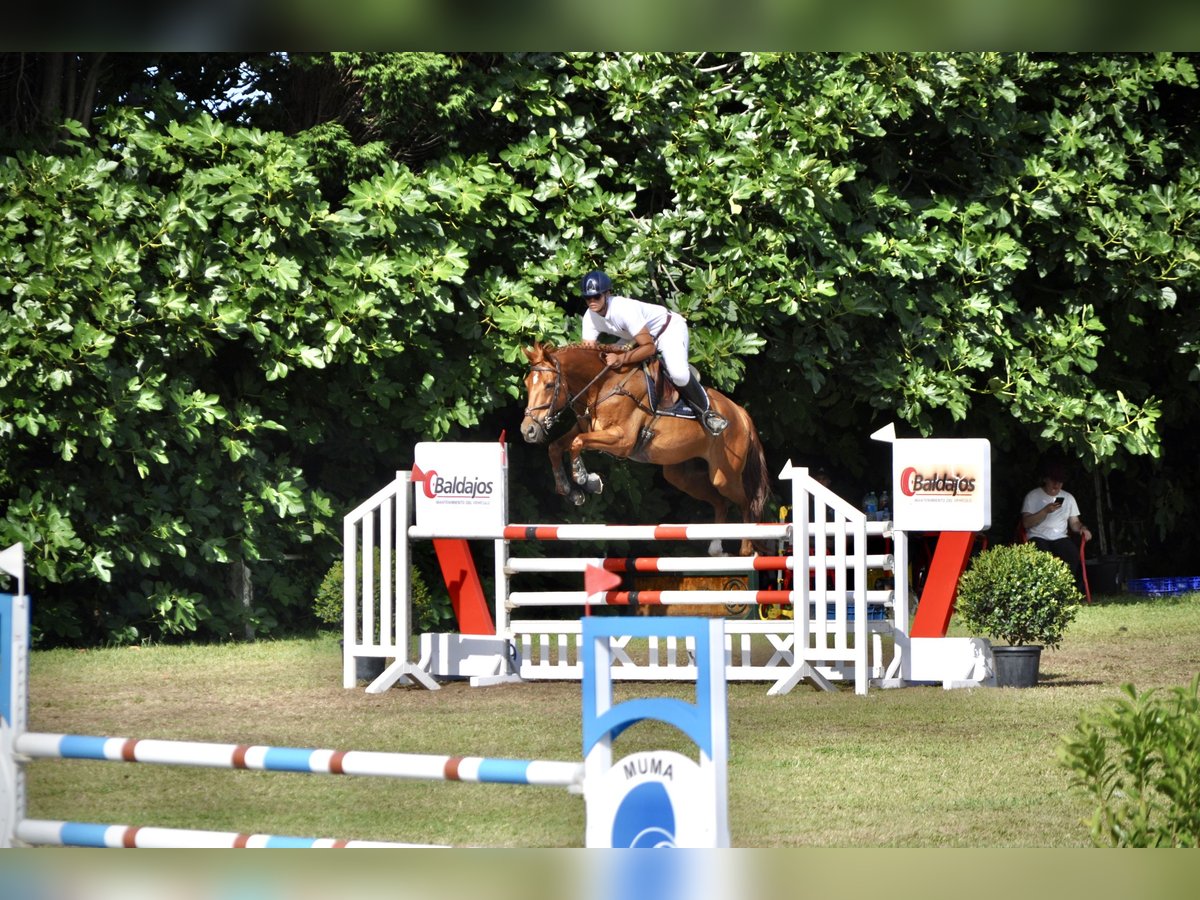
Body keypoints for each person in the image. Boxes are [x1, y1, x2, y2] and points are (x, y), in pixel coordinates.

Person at [578, 270, 728, 436]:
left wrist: (621, 359)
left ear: (607, 294)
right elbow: (587, 353)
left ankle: (707, 413)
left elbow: (649, 348)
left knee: (679, 375)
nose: (592, 302)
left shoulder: (623, 309)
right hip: (634, 339)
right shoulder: (589, 317)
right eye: (587, 298)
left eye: (596, 297)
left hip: (666, 331)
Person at [1021, 461, 1092, 591]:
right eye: (1054, 480)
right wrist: (1045, 511)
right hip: (1037, 536)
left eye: (1060, 482)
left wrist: (1083, 529)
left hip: (1059, 537)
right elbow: (1026, 523)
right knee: (1042, 556)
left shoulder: (1068, 498)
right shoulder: (1033, 496)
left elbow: (1075, 523)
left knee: (1071, 553)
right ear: (1045, 479)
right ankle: (1045, 591)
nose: (1056, 485)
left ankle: (1065, 590)